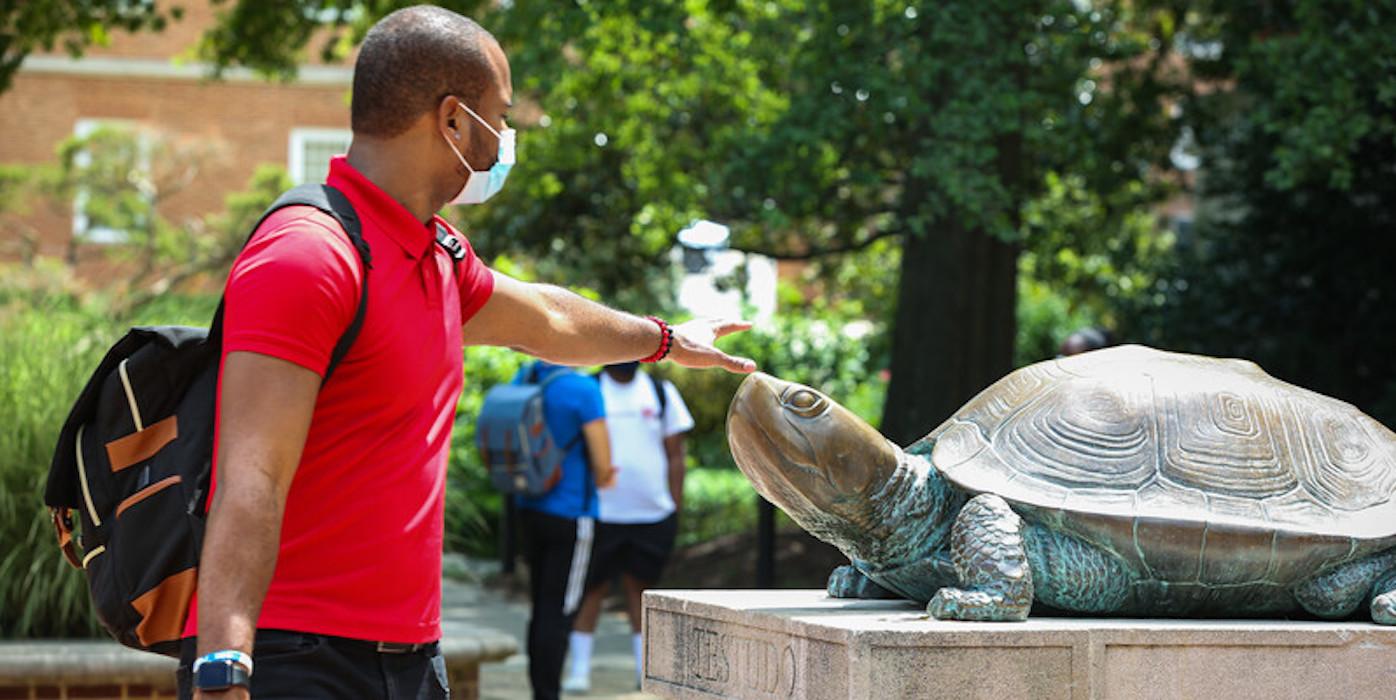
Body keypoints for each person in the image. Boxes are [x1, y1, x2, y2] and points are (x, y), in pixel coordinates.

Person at [179, 6, 755, 700]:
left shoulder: (436, 254)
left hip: (409, 656)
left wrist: (665, 339)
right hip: (294, 659)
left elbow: (549, 319)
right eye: (500, 115)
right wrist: (223, 670)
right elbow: (249, 481)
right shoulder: (309, 256)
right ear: (453, 120)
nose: (506, 137)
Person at [562, 362, 693, 693]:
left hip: (651, 513)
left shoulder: (662, 393)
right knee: (592, 590)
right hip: (599, 513)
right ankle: (579, 671)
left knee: (642, 591)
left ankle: (643, 670)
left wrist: (674, 505)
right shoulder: (591, 389)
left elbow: (676, 453)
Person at [512, 360, 616, 700]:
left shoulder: (525, 376)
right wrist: (605, 476)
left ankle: (540, 690)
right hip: (572, 512)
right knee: (560, 609)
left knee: (541, 605)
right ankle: (548, 694)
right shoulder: (583, 388)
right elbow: (603, 465)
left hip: (529, 507)